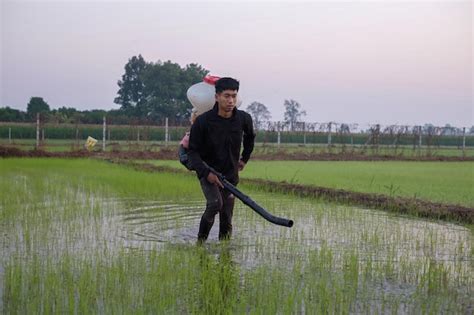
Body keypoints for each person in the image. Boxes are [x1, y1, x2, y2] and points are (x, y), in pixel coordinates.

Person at [188, 77, 255, 243]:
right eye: (226, 96)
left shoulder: (243, 119)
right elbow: (192, 152)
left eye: (234, 96)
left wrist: (244, 159)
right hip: (208, 172)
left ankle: (225, 249)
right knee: (215, 204)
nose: (231, 100)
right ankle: (200, 243)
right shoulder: (203, 122)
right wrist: (206, 172)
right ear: (217, 97)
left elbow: (250, 138)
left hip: (230, 174)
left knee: (227, 213)